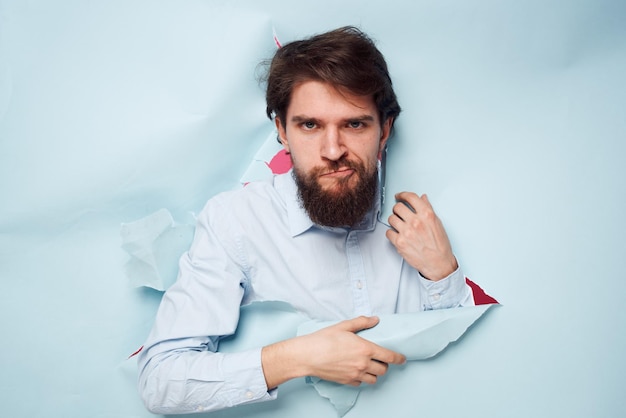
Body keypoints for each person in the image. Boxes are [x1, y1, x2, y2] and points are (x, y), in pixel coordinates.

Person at [137, 26, 474, 414]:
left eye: (354, 124)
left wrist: (441, 273)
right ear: (281, 130)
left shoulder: (418, 227)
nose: (333, 151)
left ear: (385, 131)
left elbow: (465, 367)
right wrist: (298, 357)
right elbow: (160, 380)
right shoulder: (236, 221)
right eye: (310, 125)